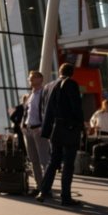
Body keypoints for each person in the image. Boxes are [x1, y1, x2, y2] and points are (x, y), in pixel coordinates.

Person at [36, 63, 84, 206]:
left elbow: (42, 109)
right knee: (68, 164)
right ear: (72, 73)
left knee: (53, 162)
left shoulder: (48, 86)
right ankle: (65, 197)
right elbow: (76, 107)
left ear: (59, 72)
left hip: (53, 130)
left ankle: (43, 192)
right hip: (68, 129)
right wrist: (81, 125)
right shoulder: (71, 84)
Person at [23, 71, 50, 196]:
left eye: (33, 78)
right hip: (29, 130)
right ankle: (39, 186)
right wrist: (23, 125)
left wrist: (42, 127)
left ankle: (46, 187)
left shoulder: (44, 93)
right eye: (29, 78)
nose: (30, 80)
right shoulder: (31, 94)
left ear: (40, 79)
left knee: (43, 160)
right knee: (33, 160)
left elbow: (48, 111)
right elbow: (27, 112)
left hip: (38, 129)